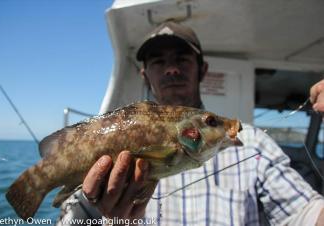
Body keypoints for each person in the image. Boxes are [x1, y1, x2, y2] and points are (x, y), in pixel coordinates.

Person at [57, 21, 324, 226]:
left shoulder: (253, 143)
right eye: (159, 62)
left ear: (203, 70)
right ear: (145, 76)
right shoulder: (113, 136)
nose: (171, 69)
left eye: (182, 59)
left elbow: (306, 214)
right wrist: (111, 218)